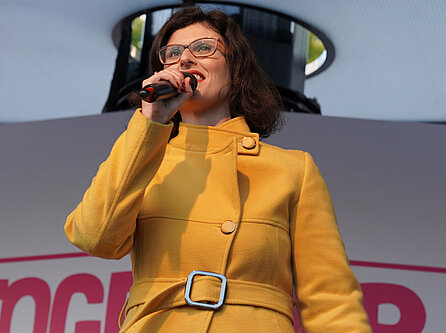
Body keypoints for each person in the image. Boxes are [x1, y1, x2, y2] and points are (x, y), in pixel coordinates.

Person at [65, 6, 372, 333]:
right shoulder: (143, 160)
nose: (185, 60)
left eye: (202, 48)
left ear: (236, 69)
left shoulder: (292, 169)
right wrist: (150, 123)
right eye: (172, 53)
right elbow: (94, 238)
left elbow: (331, 298)